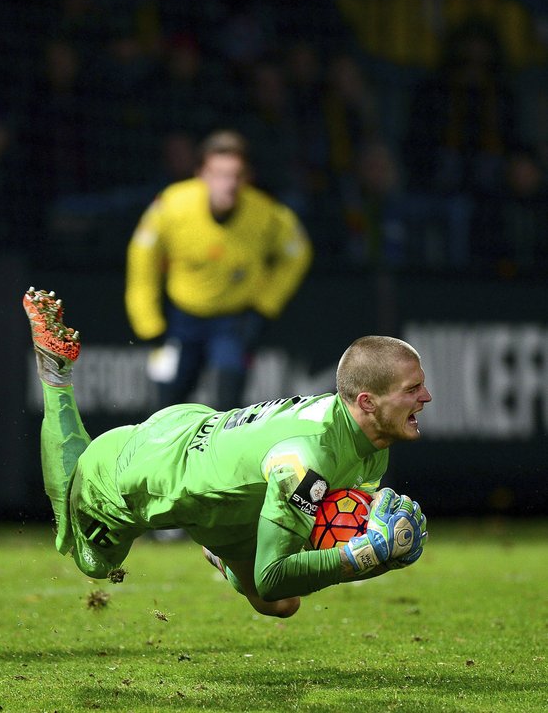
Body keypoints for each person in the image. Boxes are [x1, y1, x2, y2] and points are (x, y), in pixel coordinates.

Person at [23, 287, 428, 618]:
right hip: (143, 467)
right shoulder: (306, 461)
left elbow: (321, 531)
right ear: (368, 402)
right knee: (93, 561)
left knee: (281, 606)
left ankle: (218, 539)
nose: (426, 397)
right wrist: (364, 556)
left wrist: (371, 545)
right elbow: (273, 574)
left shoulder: (369, 443)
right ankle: (56, 376)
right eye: (411, 390)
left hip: (208, 442)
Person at [125, 129, 312, 411]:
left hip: (232, 323)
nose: (229, 184)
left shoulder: (266, 214)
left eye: (236, 175)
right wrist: (148, 321)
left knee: (229, 403)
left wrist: (265, 306)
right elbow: (142, 256)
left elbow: (298, 254)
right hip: (182, 319)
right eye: (219, 174)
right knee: (167, 406)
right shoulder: (171, 205)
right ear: (201, 174)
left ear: (247, 177)